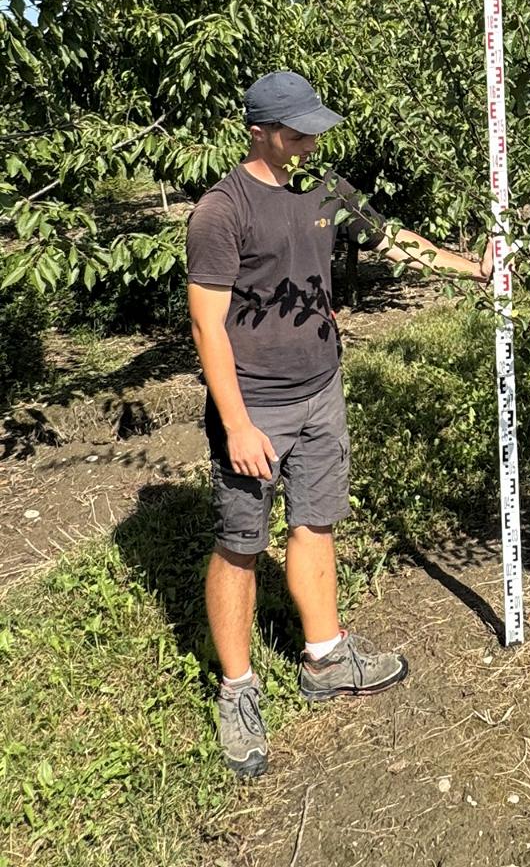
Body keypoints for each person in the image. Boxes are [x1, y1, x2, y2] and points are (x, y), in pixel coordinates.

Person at [186, 70, 490, 779]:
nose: (309, 142)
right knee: (240, 545)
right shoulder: (221, 212)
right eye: (296, 132)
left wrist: (470, 266)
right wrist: (235, 423)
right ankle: (236, 689)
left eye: (314, 129)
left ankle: (324, 656)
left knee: (315, 522)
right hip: (255, 404)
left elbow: (394, 242)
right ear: (257, 130)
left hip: (322, 389)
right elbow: (206, 326)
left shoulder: (326, 191)